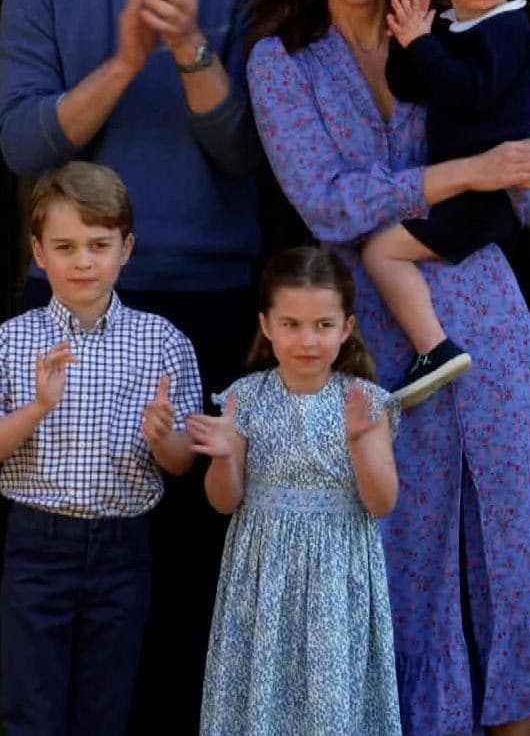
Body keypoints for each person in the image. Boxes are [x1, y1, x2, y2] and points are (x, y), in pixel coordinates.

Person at [246, 0, 530, 736]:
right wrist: (474, 171)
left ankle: (517, 723)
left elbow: (528, 188)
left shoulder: (456, 30)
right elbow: (326, 201)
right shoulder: (281, 60)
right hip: (368, 328)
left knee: (512, 539)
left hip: (486, 303)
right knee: (401, 548)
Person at [0, 0, 278, 730]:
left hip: (206, 297)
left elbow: (247, 154)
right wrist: (122, 61)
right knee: (67, 559)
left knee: (193, 560)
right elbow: (26, 144)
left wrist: (193, 49)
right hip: (73, 302)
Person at [0, 161, 200, 735]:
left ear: (126, 248)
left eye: (99, 244)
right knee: (31, 709)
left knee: (105, 710)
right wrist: (38, 407)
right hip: (37, 547)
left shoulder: (162, 341)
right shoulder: (13, 340)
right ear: (38, 253)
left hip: (123, 549)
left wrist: (164, 436)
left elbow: (183, 462)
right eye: (65, 246)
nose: (84, 261)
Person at [185, 246, 402, 736]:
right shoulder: (246, 397)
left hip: (337, 573)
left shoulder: (366, 402)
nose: (307, 339)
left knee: (330, 702)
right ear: (266, 325)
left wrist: (362, 443)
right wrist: (222, 455)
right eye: (291, 324)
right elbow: (224, 501)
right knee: (262, 695)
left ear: (346, 328)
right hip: (263, 574)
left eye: (323, 325)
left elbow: (382, 503)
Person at [362, 0, 530, 408]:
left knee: (381, 250)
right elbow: (412, 86)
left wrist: (424, 44)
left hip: (483, 196)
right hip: (459, 188)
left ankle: (434, 351)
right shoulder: (451, 27)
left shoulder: (509, 30)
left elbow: (469, 91)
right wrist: (407, 38)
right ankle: (519, 379)